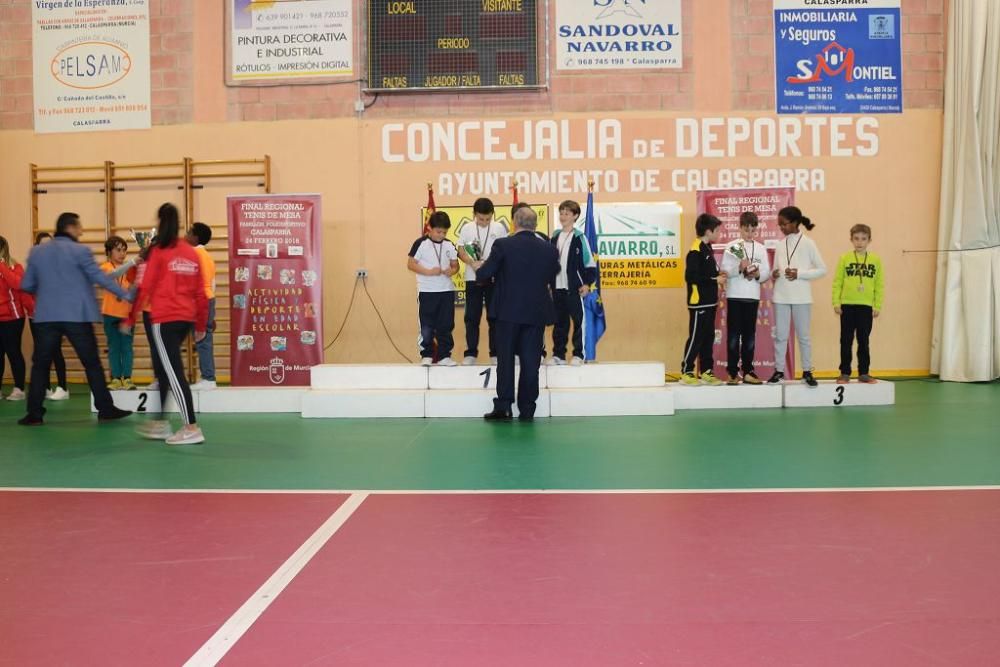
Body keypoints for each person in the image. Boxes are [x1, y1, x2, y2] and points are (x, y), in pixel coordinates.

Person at [18, 212, 133, 426]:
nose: (81, 231)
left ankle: (34, 414)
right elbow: (99, 277)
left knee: (40, 365)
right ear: (70, 228)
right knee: (91, 363)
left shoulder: (37, 252)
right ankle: (105, 408)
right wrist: (126, 294)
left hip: (46, 316)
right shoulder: (81, 251)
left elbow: (26, 285)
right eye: (79, 227)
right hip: (77, 316)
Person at [125, 203, 208, 445]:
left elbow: (145, 287)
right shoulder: (190, 252)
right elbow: (201, 293)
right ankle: (160, 422)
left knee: (173, 373)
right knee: (164, 370)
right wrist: (201, 324)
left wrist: (130, 317)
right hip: (186, 319)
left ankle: (191, 427)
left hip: (164, 320)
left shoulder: (160, 251)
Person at [475, 207, 560, 421]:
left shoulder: (503, 245)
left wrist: (479, 266)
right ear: (535, 225)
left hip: (507, 312)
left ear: (514, 222)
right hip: (536, 313)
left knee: (505, 362)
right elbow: (553, 273)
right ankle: (528, 408)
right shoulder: (549, 249)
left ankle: (504, 407)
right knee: (531, 362)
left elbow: (485, 274)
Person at [769, 206, 827, 387]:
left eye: (783, 224)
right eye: (779, 225)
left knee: (803, 336)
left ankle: (807, 371)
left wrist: (799, 273)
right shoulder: (780, 244)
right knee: (780, 336)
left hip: (802, 297)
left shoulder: (809, 243)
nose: (781, 228)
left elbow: (822, 269)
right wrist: (775, 273)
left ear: (794, 223)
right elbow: (774, 270)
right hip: (781, 296)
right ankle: (778, 371)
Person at [720, 212, 771, 385]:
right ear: (740, 228)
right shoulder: (731, 246)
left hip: (752, 297)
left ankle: (748, 371)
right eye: (746, 229)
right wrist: (739, 269)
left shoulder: (761, 248)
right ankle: (732, 373)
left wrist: (757, 274)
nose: (749, 233)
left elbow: (766, 273)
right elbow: (725, 270)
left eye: (752, 230)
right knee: (734, 336)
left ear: (756, 229)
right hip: (735, 296)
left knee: (750, 336)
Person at [457, 198, 507, 366]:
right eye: (480, 219)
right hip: (473, 278)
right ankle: (470, 353)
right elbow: (461, 250)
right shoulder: (467, 228)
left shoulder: (499, 228)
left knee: (494, 317)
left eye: (487, 219)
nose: (484, 222)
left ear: (493, 215)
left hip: (494, 278)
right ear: (474, 215)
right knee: (472, 317)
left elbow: (504, 251)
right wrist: (472, 263)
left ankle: (496, 353)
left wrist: (491, 264)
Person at [833, 224, 884, 384]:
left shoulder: (875, 260)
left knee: (863, 340)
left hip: (866, 307)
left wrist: (877, 305)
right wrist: (836, 302)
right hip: (847, 306)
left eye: (863, 239)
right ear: (851, 240)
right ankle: (845, 373)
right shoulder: (845, 258)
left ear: (869, 240)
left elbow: (879, 284)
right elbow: (837, 282)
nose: (859, 242)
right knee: (846, 340)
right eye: (856, 239)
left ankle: (864, 372)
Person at [407, 211, 460, 366]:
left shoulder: (449, 244)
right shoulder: (421, 243)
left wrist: (452, 270)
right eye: (438, 231)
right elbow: (411, 264)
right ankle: (427, 354)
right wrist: (429, 272)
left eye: (444, 232)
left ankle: (444, 356)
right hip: (427, 291)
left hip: (446, 290)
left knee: (446, 323)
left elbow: (455, 265)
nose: (441, 235)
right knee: (427, 324)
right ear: (429, 228)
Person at [680, 214, 727, 386]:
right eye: (717, 230)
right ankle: (687, 371)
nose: (719, 233)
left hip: (710, 302)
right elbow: (691, 276)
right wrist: (715, 280)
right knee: (696, 337)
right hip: (699, 302)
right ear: (708, 231)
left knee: (708, 337)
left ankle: (707, 371)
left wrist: (718, 275)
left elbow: (708, 273)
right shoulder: (695, 250)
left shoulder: (708, 248)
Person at [549, 200, 597, 367]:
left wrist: (587, 284)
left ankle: (578, 354)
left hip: (574, 289)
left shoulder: (579, 238)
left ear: (575, 216)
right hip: (557, 288)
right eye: (561, 213)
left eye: (567, 213)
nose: (563, 216)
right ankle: (558, 355)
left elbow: (590, 264)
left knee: (578, 322)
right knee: (559, 323)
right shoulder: (554, 236)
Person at [29, 233, 69, 400]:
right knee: (41, 353)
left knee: (56, 352)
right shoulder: (34, 267)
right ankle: (45, 387)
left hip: (54, 316)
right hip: (36, 316)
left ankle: (62, 387)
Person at [100, 236, 139, 390]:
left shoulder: (129, 271)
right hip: (110, 313)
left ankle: (127, 378)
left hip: (127, 315)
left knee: (127, 347)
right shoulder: (105, 267)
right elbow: (113, 275)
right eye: (118, 250)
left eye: (124, 250)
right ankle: (116, 378)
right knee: (114, 346)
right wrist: (133, 262)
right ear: (109, 252)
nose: (122, 254)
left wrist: (137, 282)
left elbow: (131, 291)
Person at [186, 223, 218, 390]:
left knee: (202, 340)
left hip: (200, 300)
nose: (186, 234)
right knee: (204, 338)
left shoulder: (194, 254)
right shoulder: (208, 256)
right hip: (209, 299)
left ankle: (208, 378)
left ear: (196, 237)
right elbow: (212, 284)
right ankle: (208, 377)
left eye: (189, 232)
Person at [0, 236, 28, 401]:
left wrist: (2, 266)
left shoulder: (14, 266)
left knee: (13, 352)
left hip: (12, 318)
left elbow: (17, 285)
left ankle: (19, 389)